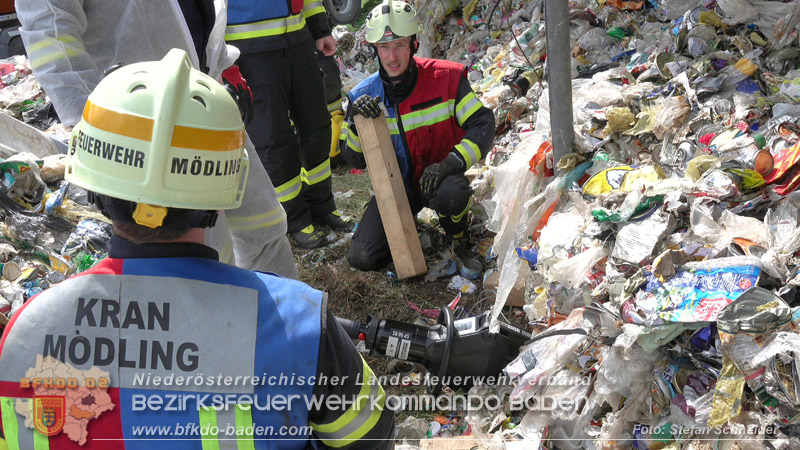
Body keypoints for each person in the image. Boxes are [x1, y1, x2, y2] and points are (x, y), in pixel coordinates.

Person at [0, 50, 394, 449]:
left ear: (93, 185)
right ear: (224, 192)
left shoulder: (25, 333)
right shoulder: (299, 324)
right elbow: (371, 440)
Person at [15, 0, 299, 279]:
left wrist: (225, 70)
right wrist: (94, 125)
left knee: (264, 221)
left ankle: (283, 316)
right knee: (197, 246)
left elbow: (195, 19)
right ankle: (213, 313)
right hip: (137, 132)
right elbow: (49, 32)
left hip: (204, 110)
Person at [339, 0, 495, 271]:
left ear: (413, 43)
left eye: (399, 45)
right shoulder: (361, 95)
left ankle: (458, 234)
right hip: (396, 189)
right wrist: (355, 122)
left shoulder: (446, 78)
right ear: (375, 49)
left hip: (440, 180)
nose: (392, 57)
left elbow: (484, 124)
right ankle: (405, 224)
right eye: (384, 47)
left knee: (452, 193)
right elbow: (355, 161)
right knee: (362, 257)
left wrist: (451, 163)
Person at [226, 0, 354, 249]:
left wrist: (320, 29)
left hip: (298, 42)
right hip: (251, 53)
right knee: (274, 140)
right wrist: (222, 61)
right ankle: (294, 218)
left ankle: (323, 205)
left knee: (317, 126)